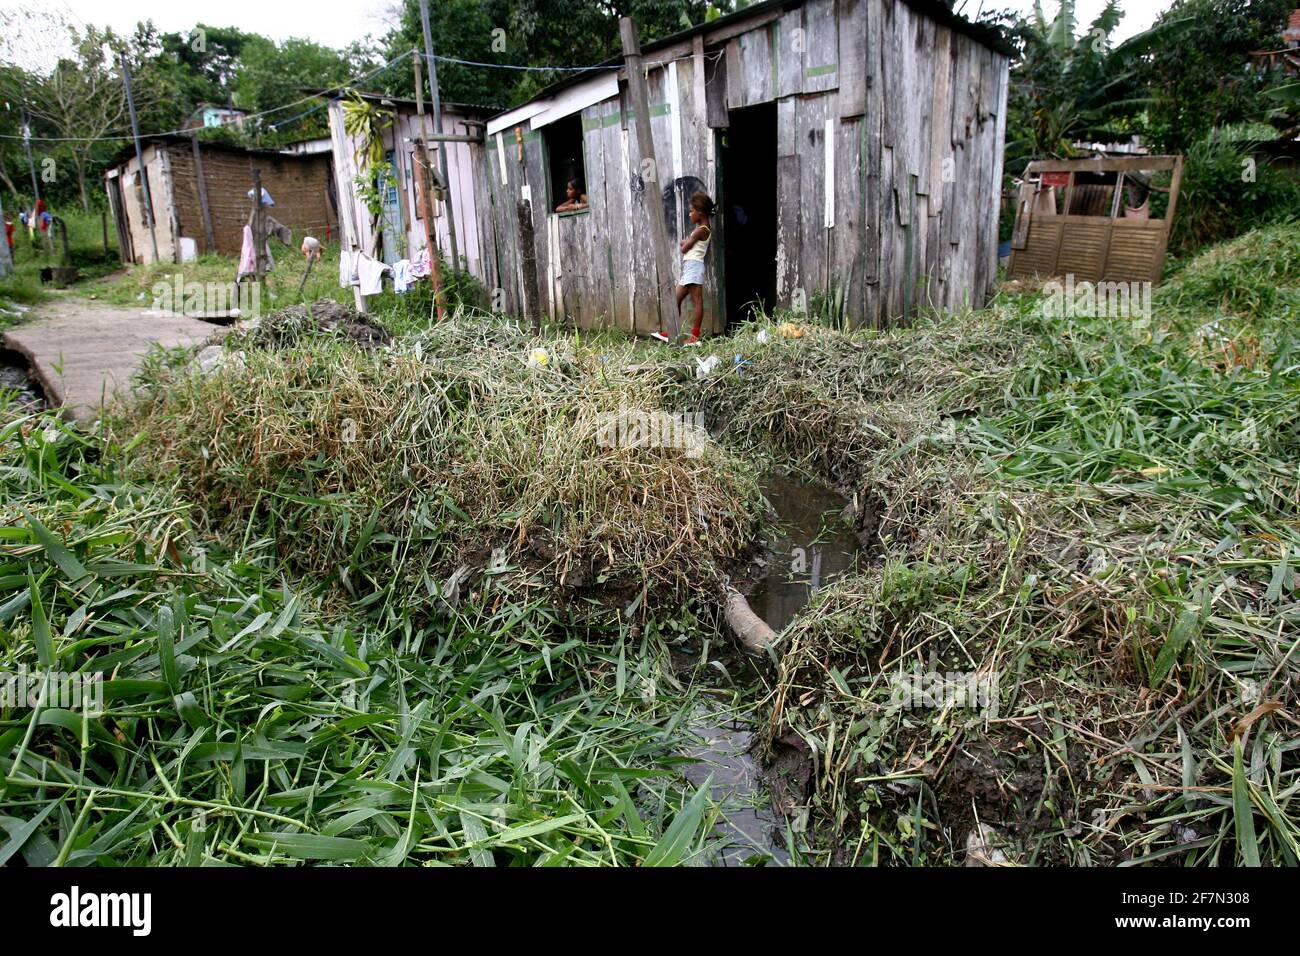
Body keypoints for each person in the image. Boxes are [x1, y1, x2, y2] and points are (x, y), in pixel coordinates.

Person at [653, 191, 713, 346]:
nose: (689, 214)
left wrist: (686, 242)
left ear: (700, 212)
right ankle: (672, 332)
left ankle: (694, 337)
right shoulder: (702, 229)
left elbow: (684, 248)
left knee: (697, 301)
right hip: (690, 267)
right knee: (675, 300)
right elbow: (687, 244)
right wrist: (687, 242)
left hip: (693, 266)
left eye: (692, 211)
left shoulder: (702, 230)